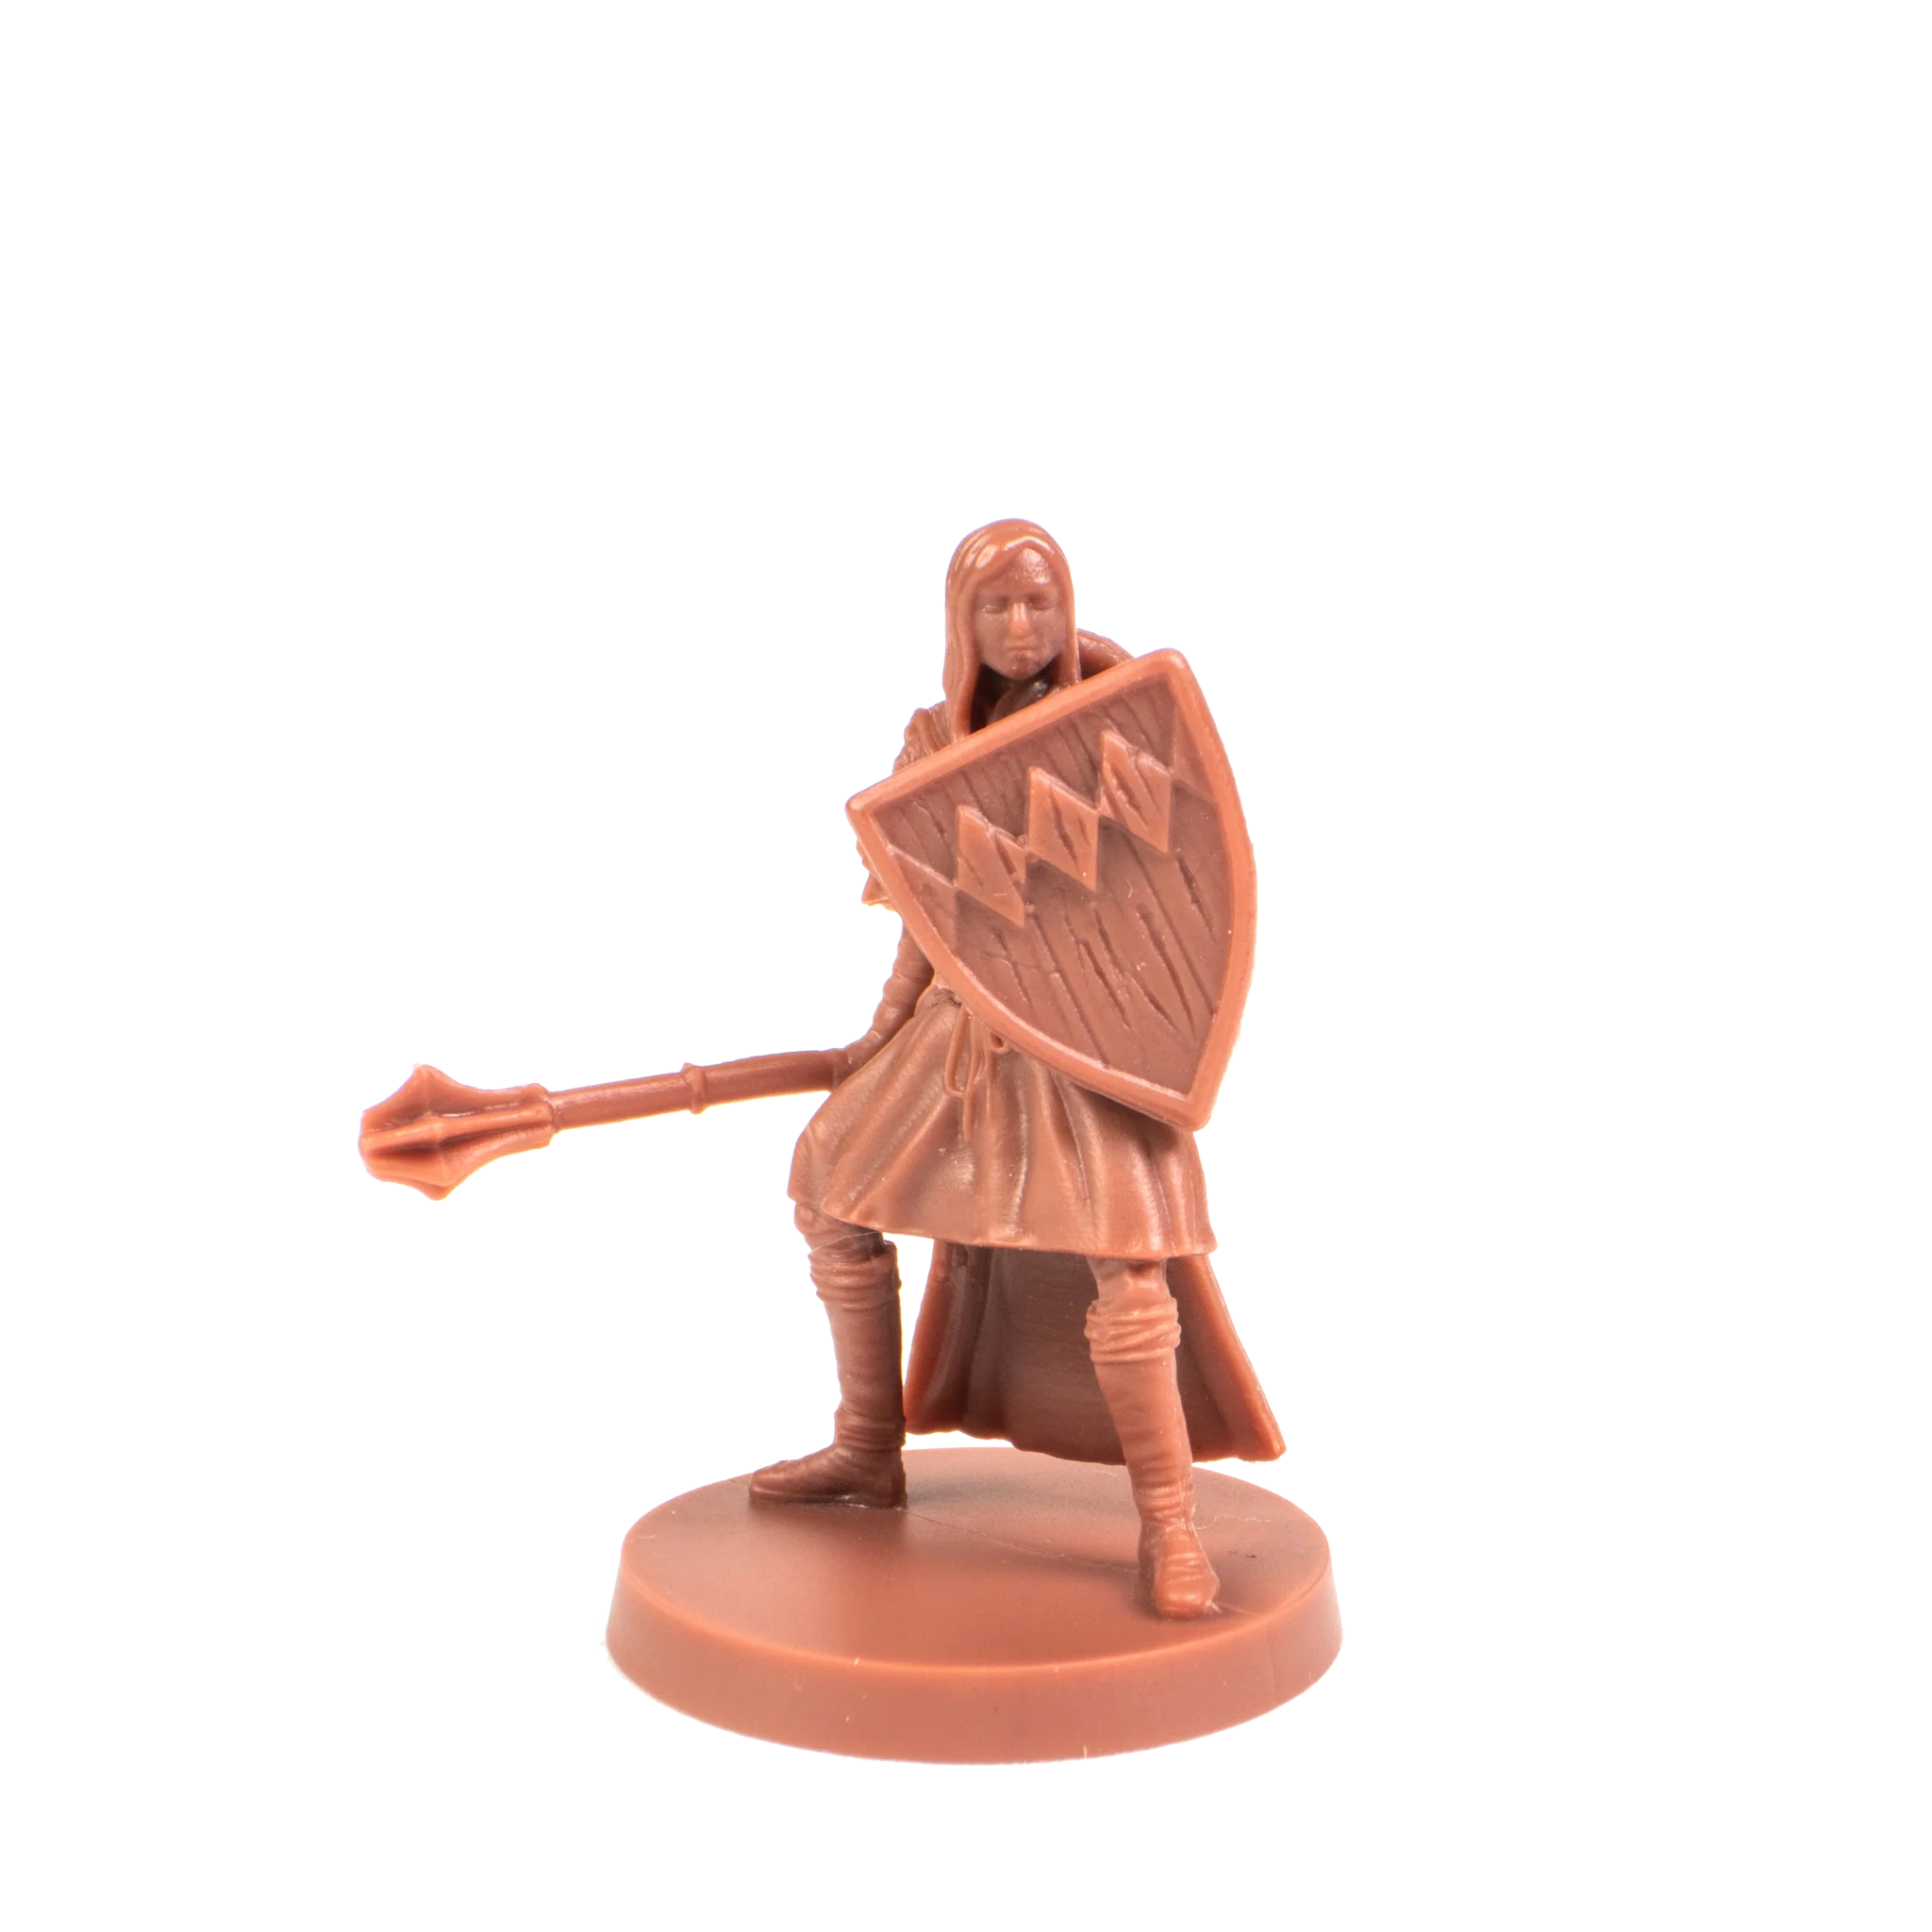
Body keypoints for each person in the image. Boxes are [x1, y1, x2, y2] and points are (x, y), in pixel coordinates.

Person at [752, 519, 1282, 1620]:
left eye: (1037, 601)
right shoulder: (933, 739)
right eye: (994, 605)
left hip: (1092, 1044)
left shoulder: (1117, 718)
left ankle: (1169, 1523)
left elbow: (1172, 895)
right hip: (967, 1034)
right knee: (830, 1187)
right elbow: (931, 919)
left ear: (1065, 604)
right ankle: (866, 1446)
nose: (1019, 624)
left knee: (1126, 1269)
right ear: (963, 620)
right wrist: (878, 1033)